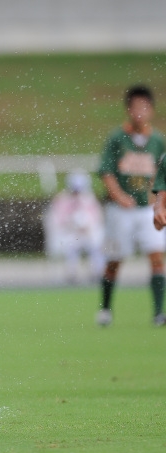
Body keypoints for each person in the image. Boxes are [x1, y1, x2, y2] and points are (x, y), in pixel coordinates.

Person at [96, 85, 166, 327]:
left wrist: (157, 199)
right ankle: (105, 309)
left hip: (147, 209)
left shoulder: (157, 139)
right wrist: (119, 196)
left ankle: (158, 313)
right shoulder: (117, 138)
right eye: (135, 107)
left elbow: (161, 172)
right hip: (120, 211)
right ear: (128, 110)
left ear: (151, 110)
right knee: (114, 259)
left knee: (157, 256)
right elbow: (105, 170)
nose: (140, 112)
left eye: (144, 107)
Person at [43, 170, 105, 284]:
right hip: (69, 233)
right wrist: (71, 225)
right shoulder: (62, 200)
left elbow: (96, 218)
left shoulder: (89, 199)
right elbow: (58, 219)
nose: (77, 193)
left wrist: (86, 226)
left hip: (87, 233)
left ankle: (97, 271)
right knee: (71, 247)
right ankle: (72, 272)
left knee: (96, 246)